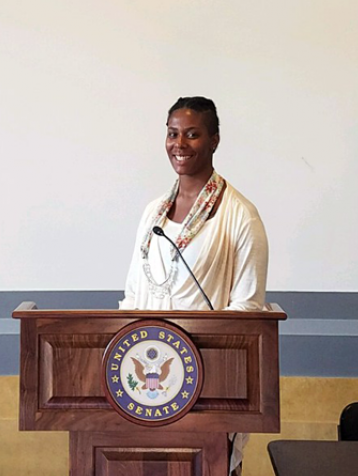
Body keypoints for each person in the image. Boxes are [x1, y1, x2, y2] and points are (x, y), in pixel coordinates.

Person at [119, 96, 268, 475]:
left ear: (214, 140)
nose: (179, 144)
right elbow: (134, 297)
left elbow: (247, 312)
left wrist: (197, 369)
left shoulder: (240, 216)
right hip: (148, 393)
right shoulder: (153, 213)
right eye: (172, 134)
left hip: (206, 388)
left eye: (192, 134)